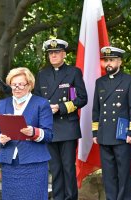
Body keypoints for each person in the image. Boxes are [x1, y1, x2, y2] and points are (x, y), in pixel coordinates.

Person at [34, 39, 88, 200]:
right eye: (51, 53)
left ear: (64, 54)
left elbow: (82, 99)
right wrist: (45, 108)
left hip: (67, 127)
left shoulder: (73, 72)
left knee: (68, 168)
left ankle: (71, 198)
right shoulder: (42, 74)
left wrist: (61, 107)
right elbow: (36, 99)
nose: (53, 55)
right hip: (49, 127)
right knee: (55, 168)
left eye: (57, 52)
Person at [0, 67, 53, 200]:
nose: (16, 88)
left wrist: (33, 132)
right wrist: (0, 138)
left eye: (20, 84)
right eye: (13, 85)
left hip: (33, 163)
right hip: (9, 163)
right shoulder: (3, 104)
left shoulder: (41, 104)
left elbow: (48, 134)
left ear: (29, 85)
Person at [92, 46, 131, 199]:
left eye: (112, 60)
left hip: (122, 135)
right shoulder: (100, 82)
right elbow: (96, 109)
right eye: (106, 60)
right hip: (105, 134)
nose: (108, 63)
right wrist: (95, 132)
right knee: (108, 174)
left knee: (123, 173)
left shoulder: (129, 81)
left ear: (119, 61)